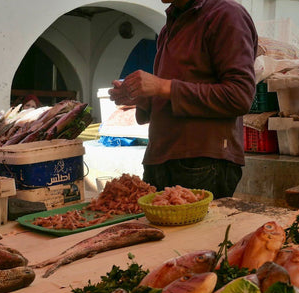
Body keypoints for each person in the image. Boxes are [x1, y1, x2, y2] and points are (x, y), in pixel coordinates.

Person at [108, 0, 258, 199]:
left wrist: (162, 86)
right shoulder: (170, 26)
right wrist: (138, 94)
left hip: (202, 162)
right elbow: (167, 95)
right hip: (161, 158)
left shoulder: (225, 14)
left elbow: (239, 95)